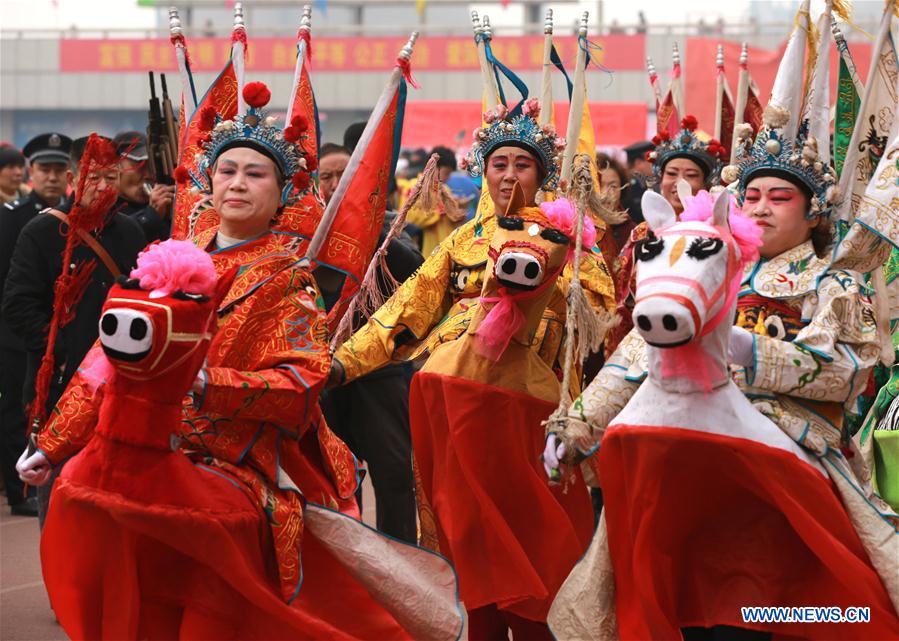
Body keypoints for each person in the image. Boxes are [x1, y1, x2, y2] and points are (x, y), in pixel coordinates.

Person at [18, 82, 462, 640]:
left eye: (255, 174)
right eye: (227, 171)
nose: (237, 184)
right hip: (146, 440)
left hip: (236, 457)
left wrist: (207, 384)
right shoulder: (172, 258)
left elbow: (302, 379)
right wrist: (56, 443)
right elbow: (108, 360)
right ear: (209, 181)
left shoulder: (288, 279)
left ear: (282, 193)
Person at [547, 20, 899, 637]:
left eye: (778, 197)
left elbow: (846, 375)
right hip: (690, 448)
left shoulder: (831, 282)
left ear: (812, 209)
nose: (761, 206)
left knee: (795, 598)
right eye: (753, 195)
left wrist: (747, 352)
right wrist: (581, 421)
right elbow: (640, 352)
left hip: (788, 448)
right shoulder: (713, 267)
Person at [330, 99, 616, 401]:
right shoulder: (465, 238)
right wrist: (344, 363)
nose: (509, 175)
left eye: (522, 166)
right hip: (455, 373)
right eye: (499, 165)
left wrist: (542, 289)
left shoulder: (563, 233)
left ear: (540, 175)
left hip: (539, 377)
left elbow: (600, 313)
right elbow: (409, 304)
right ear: (485, 173)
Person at [4, 134, 146, 525]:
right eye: (94, 177)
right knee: (63, 500)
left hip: (121, 385)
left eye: (112, 177)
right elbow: (17, 306)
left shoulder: (132, 233)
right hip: (62, 387)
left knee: (117, 499)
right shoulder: (41, 232)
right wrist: (67, 348)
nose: (104, 187)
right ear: (72, 177)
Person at [318, 140, 424, 542]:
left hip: (381, 378)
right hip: (322, 377)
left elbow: (419, 290)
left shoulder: (389, 240)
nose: (334, 184)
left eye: (343, 175)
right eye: (325, 176)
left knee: (394, 473)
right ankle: (347, 567)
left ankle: (400, 561)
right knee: (336, 480)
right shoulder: (301, 243)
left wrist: (376, 239)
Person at [607, 117, 727, 355]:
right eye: (672, 173)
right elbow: (620, 294)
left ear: (705, 183)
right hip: (642, 337)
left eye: (691, 175)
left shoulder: (716, 233)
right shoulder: (643, 232)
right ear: (660, 179)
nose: (679, 183)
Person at [0, 132, 72, 517]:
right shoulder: (10, 218)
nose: (52, 177)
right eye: (45, 169)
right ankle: (19, 490)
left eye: (59, 169)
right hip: (16, 336)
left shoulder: (77, 217)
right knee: (18, 409)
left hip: (63, 335)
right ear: (31, 172)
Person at [113, 131, 175, 242]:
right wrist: (150, 215)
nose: (148, 175)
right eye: (139, 165)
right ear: (115, 165)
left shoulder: (163, 205)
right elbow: (116, 238)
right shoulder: (105, 207)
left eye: (151, 166)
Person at [406, 145, 467, 257]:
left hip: (445, 250)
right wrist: (439, 211)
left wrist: (456, 213)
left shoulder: (445, 189)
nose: (448, 178)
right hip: (425, 251)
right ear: (434, 167)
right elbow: (411, 219)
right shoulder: (416, 187)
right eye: (446, 173)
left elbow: (451, 222)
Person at [619, 139, 652, 223]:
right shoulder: (627, 186)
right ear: (639, 163)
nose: (656, 165)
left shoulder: (642, 184)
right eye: (652, 161)